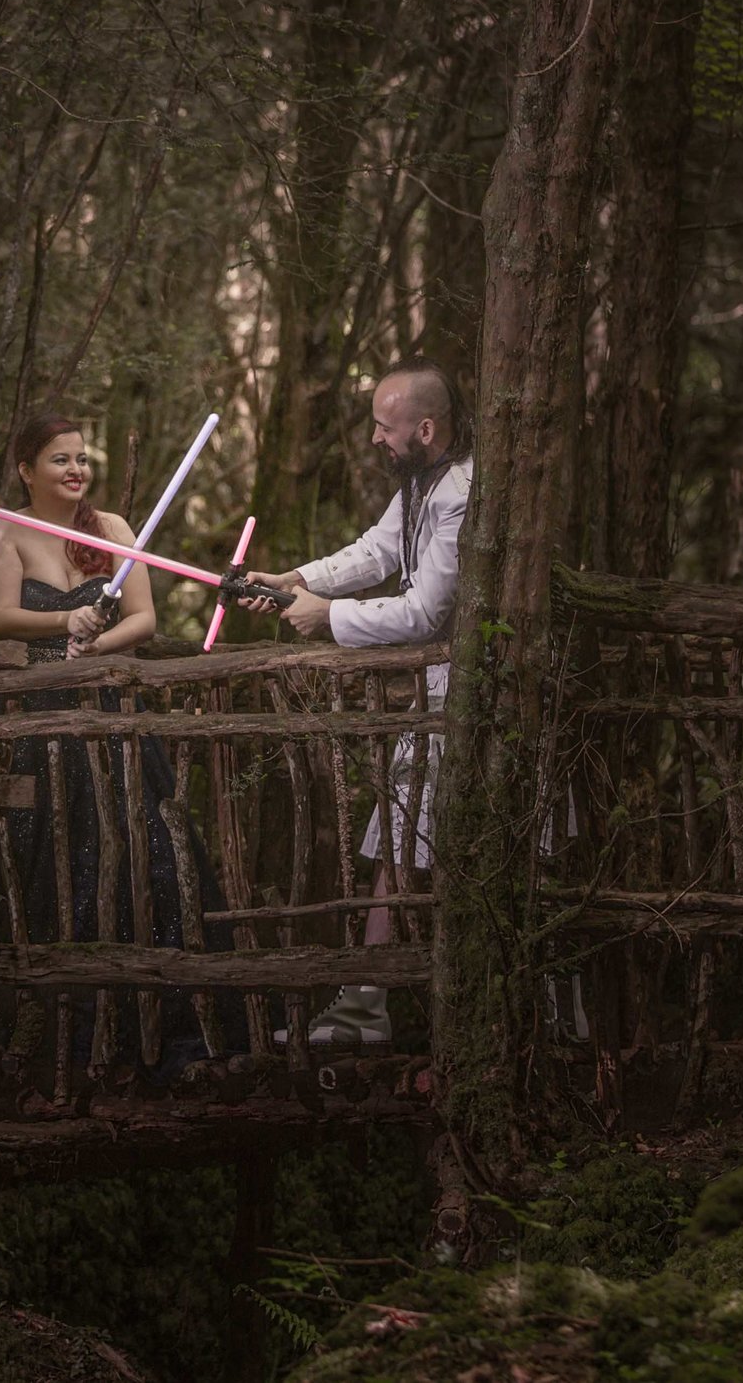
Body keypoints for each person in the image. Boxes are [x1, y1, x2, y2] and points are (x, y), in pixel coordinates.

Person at [0, 413, 231, 1073]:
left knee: (146, 851)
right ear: (26, 469)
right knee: (44, 858)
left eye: (81, 458)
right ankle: (48, 1030)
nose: (76, 470)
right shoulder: (8, 531)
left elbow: (144, 616)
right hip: (33, 712)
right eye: (59, 459)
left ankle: (157, 1024)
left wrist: (93, 643)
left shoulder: (112, 531)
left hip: (103, 707)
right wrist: (63, 619)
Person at [242, 359, 470, 1047]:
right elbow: (376, 551)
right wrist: (295, 579)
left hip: (472, 699)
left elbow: (428, 611)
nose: (376, 438)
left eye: (384, 426)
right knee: (397, 843)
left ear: (424, 428)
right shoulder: (421, 485)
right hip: (439, 702)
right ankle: (366, 1003)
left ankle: (540, 1013)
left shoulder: (460, 493)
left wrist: (330, 618)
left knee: (441, 848)